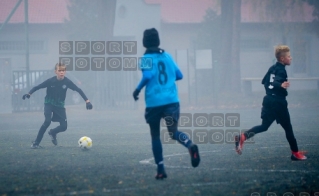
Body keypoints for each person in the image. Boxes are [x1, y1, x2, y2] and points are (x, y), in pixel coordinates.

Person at [133, 28, 200, 179]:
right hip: (171, 101)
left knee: (155, 135)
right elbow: (179, 75)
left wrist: (137, 90)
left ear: (144, 42)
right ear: (158, 41)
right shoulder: (167, 56)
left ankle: (161, 169)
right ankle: (190, 145)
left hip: (155, 103)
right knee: (173, 132)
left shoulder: (145, 59)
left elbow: (148, 75)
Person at [235, 45, 307, 161]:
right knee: (288, 128)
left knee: (264, 126)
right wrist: (280, 85)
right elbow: (276, 81)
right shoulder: (282, 70)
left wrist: (272, 89)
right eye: (289, 56)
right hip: (278, 102)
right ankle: (295, 153)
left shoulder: (272, 68)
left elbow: (264, 81)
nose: (291, 58)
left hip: (268, 100)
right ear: (282, 59)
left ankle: (243, 136)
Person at [22, 63, 93, 149]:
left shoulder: (67, 82)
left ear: (65, 72)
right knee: (47, 121)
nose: (61, 72)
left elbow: (79, 90)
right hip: (49, 104)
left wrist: (87, 101)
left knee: (64, 126)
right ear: (55, 72)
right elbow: (38, 87)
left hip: (59, 106)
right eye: (59, 71)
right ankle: (36, 143)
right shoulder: (50, 81)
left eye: (63, 71)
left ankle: (53, 132)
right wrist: (29, 93)